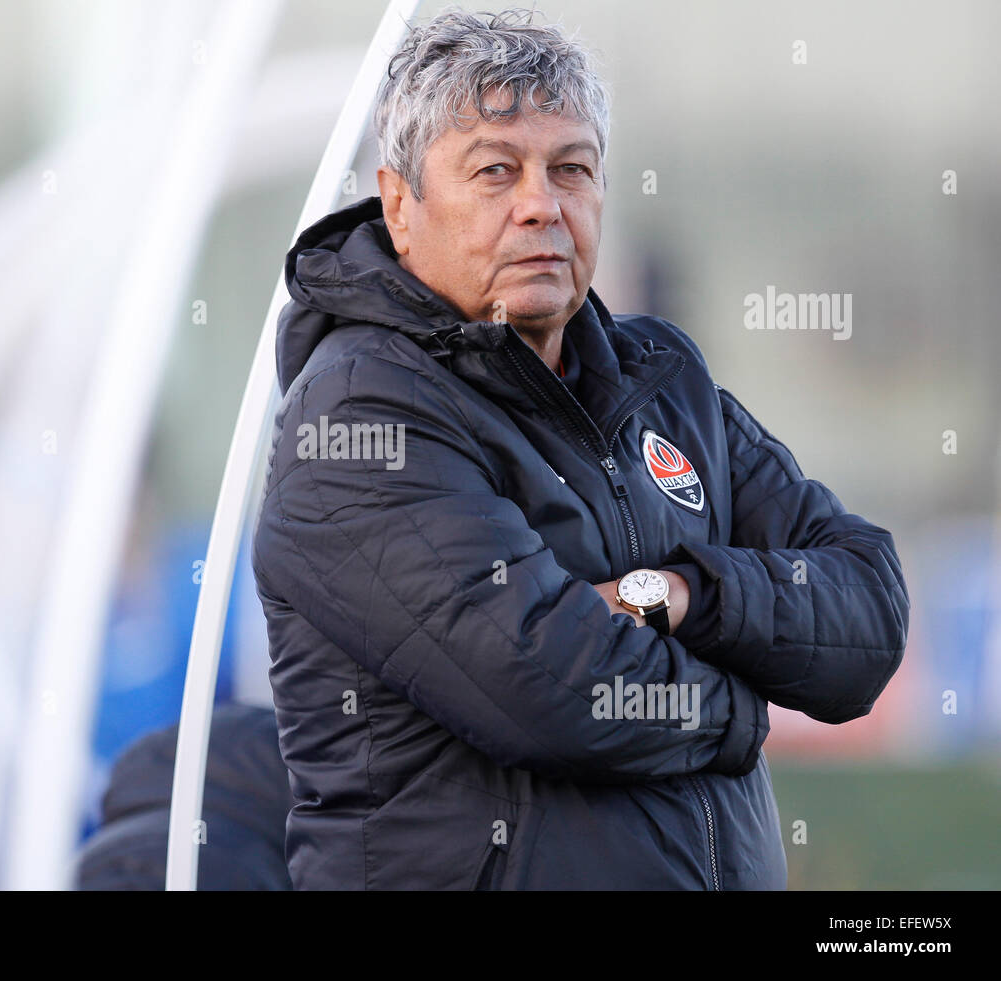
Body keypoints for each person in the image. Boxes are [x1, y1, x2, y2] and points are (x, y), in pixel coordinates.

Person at [250, 7, 908, 890]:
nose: (540, 205)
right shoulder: (357, 414)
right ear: (401, 206)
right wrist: (751, 706)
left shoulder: (662, 379)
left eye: (572, 169)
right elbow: (558, 687)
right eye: (494, 170)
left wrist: (679, 594)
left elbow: (868, 611)